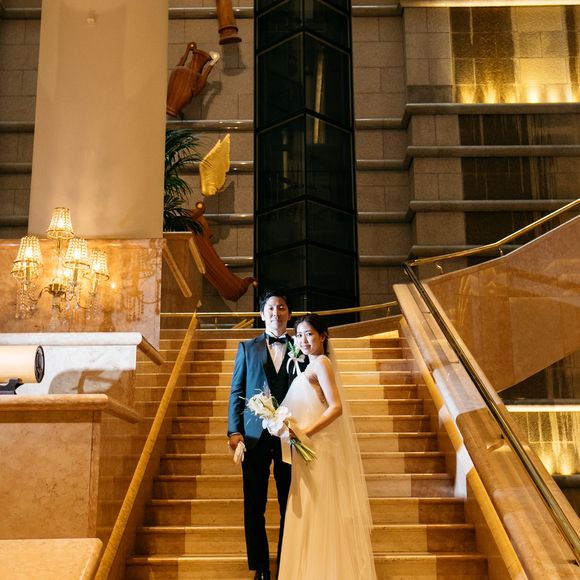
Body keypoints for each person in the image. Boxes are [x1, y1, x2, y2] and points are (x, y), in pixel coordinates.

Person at [278, 313, 377, 580]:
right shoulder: (311, 365)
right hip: (308, 448)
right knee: (312, 510)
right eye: (299, 335)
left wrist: (304, 433)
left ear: (323, 336)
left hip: (319, 447)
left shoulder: (322, 363)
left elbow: (336, 408)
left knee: (321, 511)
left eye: (309, 334)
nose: (303, 340)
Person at [228, 289, 304, 580]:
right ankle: (261, 567)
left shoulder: (300, 347)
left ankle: (287, 563)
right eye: (271, 308)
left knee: (290, 504)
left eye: (281, 307)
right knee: (254, 504)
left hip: (290, 436)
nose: (276, 313)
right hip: (254, 438)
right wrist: (234, 430)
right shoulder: (247, 348)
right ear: (262, 314)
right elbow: (237, 392)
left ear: (289, 314)